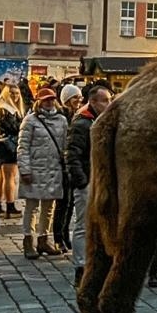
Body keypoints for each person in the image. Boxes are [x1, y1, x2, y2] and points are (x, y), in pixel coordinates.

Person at [63, 82, 110, 288]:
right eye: (105, 101)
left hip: (102, 181)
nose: (109, 104)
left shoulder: (103, 121)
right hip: (88, 181)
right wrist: (81, 182)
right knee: (83, 226)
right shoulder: (82, 123)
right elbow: (72, 155)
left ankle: (97, 264)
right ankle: (81, 267)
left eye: (110, 99)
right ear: (93, 102)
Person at [16, 87, 67, 258]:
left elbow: (65, 145)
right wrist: (25, 169)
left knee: (49, 207)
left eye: (51, 99)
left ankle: (44, 239)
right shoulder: (30, 120)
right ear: (39, 101)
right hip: (35, 169)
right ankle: (28, 240)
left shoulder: (62, 120)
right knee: (31, 207)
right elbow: (22, 147)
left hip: (53, 169)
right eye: (45, 99)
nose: (49, 102)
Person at [50, 82, 85, 252]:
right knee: (63, 202)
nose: (79, 100)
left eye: (80, 97)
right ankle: (58, 236)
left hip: (72, 163)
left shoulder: (77, 114)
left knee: (70, 203)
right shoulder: (63, 116)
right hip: (63, 163)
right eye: (75, 97)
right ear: (67, 100)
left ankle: (64, 234)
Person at [0, 83, 24, 218]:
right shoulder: (6, 109)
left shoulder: (0, 107)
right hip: (8, 144)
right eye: (12, 93)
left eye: (17, 93)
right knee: (10, 177)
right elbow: (13, 128)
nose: (15, 96)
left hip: (1, 143)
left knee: (2, 177)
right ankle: (10, 206)